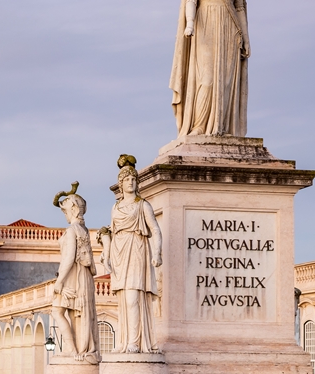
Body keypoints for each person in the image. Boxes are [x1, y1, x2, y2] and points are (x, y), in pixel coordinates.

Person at [99, 155, 162, 354]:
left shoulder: (142, 205)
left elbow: (155, 230)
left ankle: (135, 341)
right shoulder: (115, 207)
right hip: (119, 251)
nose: (131, 182)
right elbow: (112, 231)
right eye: (127, 180)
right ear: (121, 183)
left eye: (133, 180)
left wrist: (157, 253)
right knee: (123, 299)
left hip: (136, 248)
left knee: (133, 297)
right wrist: (106, 252)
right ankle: (123, 343)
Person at [169, 0, 250, 137]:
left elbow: (240, 7)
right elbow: (191, 1)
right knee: (206, 80)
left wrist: (246, 39)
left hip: (230, 27)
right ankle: (199, 126)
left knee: (226, 82)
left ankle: (223, 127)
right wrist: (190, 23)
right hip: (204, 24)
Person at [50, 182, 98, 361]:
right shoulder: (83, 230)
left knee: (57, 312)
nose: (65, 215)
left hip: (71, 277)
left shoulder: (71, 230)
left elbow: (69, 257)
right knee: (73, 314)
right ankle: (77, 348)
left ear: (73, 209)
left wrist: (59, 282)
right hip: (81, 277)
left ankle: (72, 349)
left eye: (65, 211)